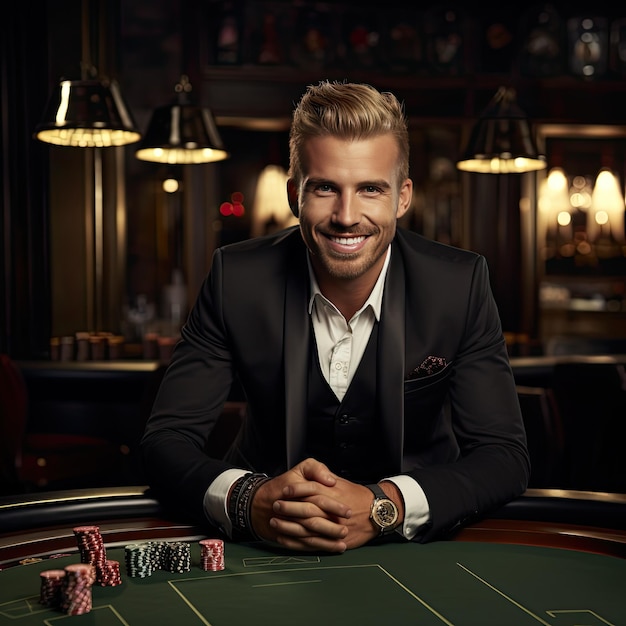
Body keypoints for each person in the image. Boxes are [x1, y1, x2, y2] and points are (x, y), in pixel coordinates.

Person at [140, 80, 530, 554]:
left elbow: (504, 457)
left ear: (402, 198)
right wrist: (251, 500)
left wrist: (385, 505)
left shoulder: (460, 284)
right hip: (262, 549)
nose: (347, 216)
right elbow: (166, 441)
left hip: (418, 550)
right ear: (293, 194)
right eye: (325, 188)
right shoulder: (235, 278)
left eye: (370, 189)